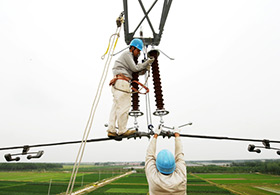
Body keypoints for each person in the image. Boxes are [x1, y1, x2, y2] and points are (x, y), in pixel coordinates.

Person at [107, 38, 154, 138]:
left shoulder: (127, 58)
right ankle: (122, 130)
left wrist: (145, 69)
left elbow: (135, 71)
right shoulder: (127, 54)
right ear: (133, 48)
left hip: (118, 82)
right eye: (138, 50)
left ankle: (111, 130)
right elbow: (135, 68)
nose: (138, 53)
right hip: (122, 83)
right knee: (124, 105)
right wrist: (147, 63)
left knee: (116, 107)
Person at [145, 126, 187, 195]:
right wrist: (177, 135)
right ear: (174, 165)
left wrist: (155, 135)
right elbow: (179, 155)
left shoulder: (154, 178)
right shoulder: (181, 177)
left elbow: (150, 155)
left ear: (157, 165)